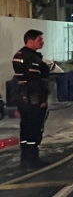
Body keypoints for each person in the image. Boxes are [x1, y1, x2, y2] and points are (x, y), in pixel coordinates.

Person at [12, 29, 51, 169]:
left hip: (23, 99)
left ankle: (26, 158)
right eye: (40, 40)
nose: (42, 42)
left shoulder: (19, 55)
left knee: (26, 129)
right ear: (30, 41)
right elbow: (35, 82)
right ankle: (32, 160)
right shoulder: (32, 58)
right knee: (34, 129)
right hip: (33, 100)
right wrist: (42, 99)